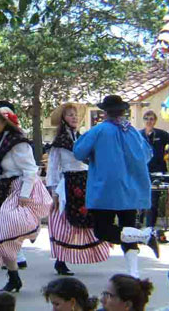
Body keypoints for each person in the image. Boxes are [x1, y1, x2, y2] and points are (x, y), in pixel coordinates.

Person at [73, 95, 159, 279]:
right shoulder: (134, 132)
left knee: (103, 230)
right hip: (132, 191)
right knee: (128, 229)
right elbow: (147, 155)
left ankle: (145, 236)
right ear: (123, 111)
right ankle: (134, 273)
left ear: (105, 112)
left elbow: (79, 151)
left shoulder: (99, 130)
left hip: (106, 190)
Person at [0, 101, 51, 293]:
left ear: (6, 123)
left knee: (5, 231)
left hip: (17, 188)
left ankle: (30, 235)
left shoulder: (18, 143)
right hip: (3, 188)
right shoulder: (1, 142)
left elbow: (30, 170)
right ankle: (14, 277)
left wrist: (25, 194)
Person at [47, 103, 110, 276]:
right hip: (68, 182)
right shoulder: (60, 142)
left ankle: (90, 252)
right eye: (69, 115)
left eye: (75, 114)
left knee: (88, 217)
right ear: (63, 119)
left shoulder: (82, 138)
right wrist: (53, 191)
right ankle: (61, 260)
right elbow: (53, 167)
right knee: (65, 220)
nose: (74, 117)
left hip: (85, 180)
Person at [139, 109, 169, 228]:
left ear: (155, 121)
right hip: (142, 171)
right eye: (146, 118)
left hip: (157, 171)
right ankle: (139, 224)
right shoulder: (138, 134)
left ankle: (150, 227)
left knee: (153, 200)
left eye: (151, 119)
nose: (149, 121)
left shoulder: (162, 134)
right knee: (141, 199)